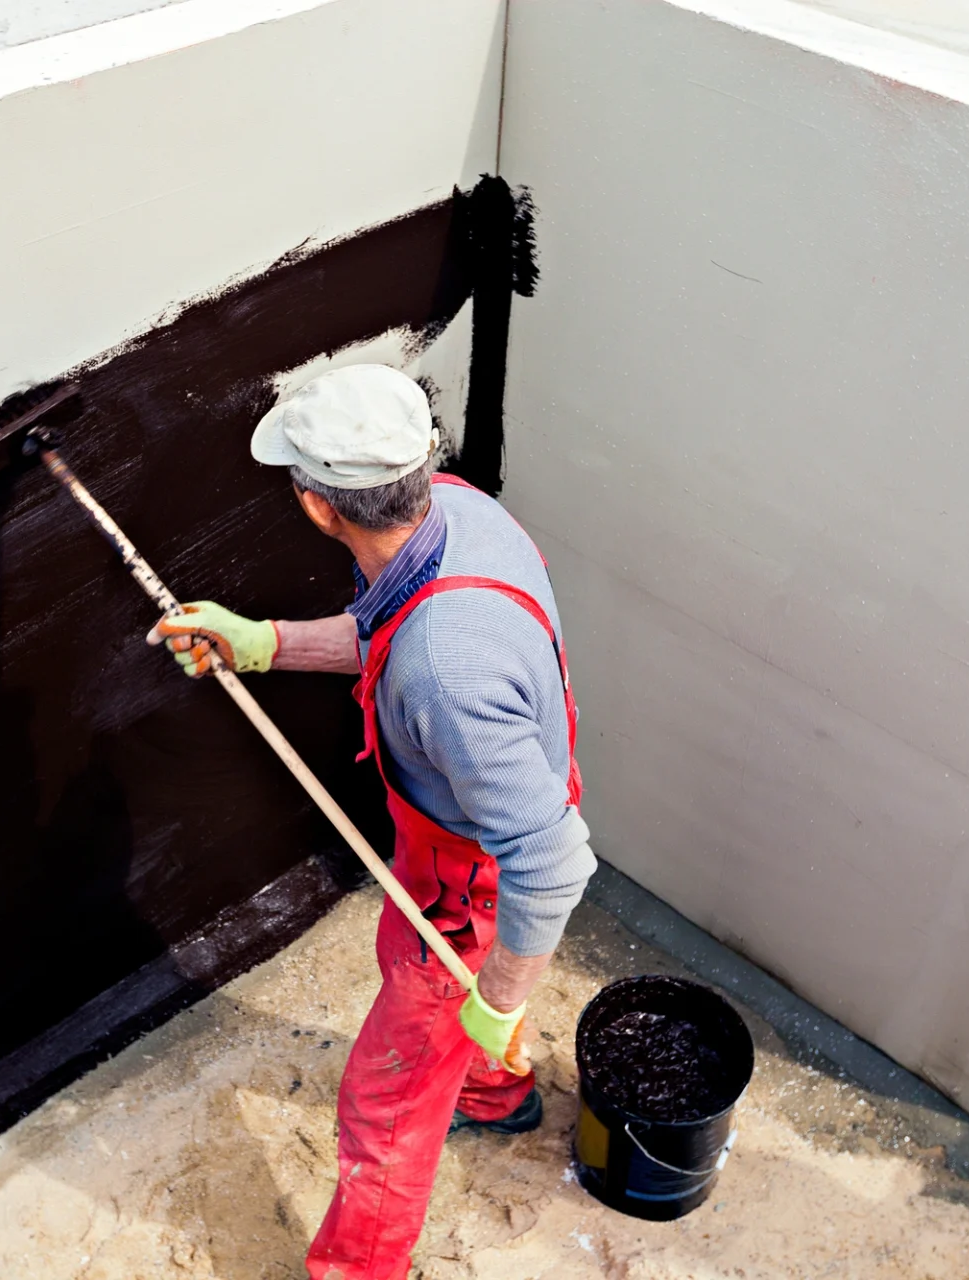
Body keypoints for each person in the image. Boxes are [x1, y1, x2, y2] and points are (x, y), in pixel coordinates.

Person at [145, 364, 595, 1280]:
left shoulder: (448, 675)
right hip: (472, 834)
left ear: (319, 507)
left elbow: (551, 864)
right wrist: (263, 643)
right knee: (440, 1003)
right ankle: (494, 1091)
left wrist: (501, 997)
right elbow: (396, 634)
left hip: (469, 892)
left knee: (383, 1106)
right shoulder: (460, 514)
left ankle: (359, 1270)